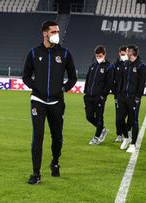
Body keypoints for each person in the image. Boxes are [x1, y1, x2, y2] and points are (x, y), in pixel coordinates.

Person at [22, 21, 77, 184]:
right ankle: (36, 174)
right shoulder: (33, 53)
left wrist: (63, 88)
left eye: (57, 31)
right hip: (37, 101)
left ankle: (55, 162)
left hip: (57, 103)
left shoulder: (65, 53)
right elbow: (25, 76)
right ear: (45, 33)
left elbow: (73, 77)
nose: (57, 34)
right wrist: (37, 88)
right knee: (37, 137)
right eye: (54, 31)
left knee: (57, 137)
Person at [116, 45, 146, 153]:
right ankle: (126, 137)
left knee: (134, 121)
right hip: (122, 97)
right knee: (119, 119)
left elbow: (141, 84)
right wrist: (119, 94)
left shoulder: (141, 66)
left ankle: (133, 144)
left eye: (127, 51)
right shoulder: (125, 64)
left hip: (133, 98)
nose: (125, 53)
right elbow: (122, 81)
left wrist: (138, 97)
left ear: (131, 52)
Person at [84, 45, 114, 145]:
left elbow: (108, 83)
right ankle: (102, 129)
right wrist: (85, 92)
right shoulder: (93, 66)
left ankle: (96, 137)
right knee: (89, 117)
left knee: (99, 117)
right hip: (89, 96)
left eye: (100, 55)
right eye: (97, 55)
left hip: (99, 97)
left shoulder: (109, 67)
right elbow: (88, 79)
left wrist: (102, 96)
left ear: (104, 54)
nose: (98, 57)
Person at [113, 46, 129, 143]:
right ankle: (119, 134)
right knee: (119, 116)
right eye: (122, 54)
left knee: (129, 116)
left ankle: (127, 131)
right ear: (119, 53)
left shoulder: (130, 64)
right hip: (118, 95)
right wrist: (115, 93)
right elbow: (112, 80)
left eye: (125, 54)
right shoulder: (116, 65)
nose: (124, 56)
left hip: (128, 95)